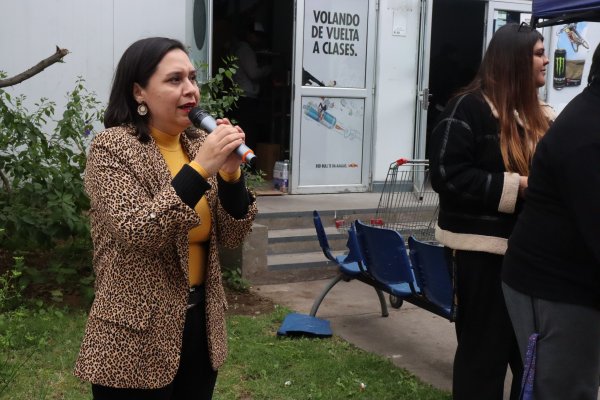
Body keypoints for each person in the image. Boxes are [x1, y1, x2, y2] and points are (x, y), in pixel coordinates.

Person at [74, 37, 257, 400]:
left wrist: (230, 174)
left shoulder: (196, 144)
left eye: (192, 78)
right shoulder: (112, 148)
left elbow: (233, 235)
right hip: (134, 335)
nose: (190, 90)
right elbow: (138, 231)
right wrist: (201, 169)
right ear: (139, 92)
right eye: (175, 80)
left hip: (200, 327)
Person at [429, 23, 554, 400]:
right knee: (483, 359)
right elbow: (447, 174)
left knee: (531, 360)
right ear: (514, 60)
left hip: (530, 258)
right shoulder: (468, 108)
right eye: (538, 53)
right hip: (482, 258)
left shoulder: (542, 116)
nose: (547, 61)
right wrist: (518, 187)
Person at [502, 42, 600, 400]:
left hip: (565, 280)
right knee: (565, 390)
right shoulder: (588, 133)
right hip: (554, 285)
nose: (545, 60)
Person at [230, 21, 272, 149]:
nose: (258, 39)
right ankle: (247, 159)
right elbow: (254, 73)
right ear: (249, 34)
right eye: (256, 35)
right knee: (248, 132)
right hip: (245, 96)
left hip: (241, 95)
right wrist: (269, 69)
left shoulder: (239, 48)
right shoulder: (245, 49)